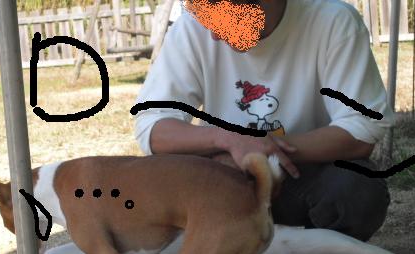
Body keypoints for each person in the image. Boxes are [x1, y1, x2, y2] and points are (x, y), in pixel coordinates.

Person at [134, 0, 393, 241]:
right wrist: (228, 140)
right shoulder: (192, 29)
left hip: (302, 175)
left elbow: (363, 127)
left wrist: (262, 152)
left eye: (226, 17)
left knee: (357, 190)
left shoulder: (332, 20)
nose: (213, 34)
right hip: (223, 177)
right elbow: (152, 126)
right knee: (144, 187)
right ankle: (221, 253)